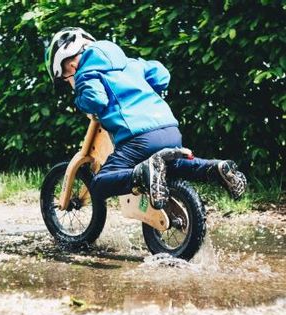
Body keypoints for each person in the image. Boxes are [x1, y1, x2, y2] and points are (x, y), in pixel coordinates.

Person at [44, 27, 247, 209]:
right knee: (173, 167)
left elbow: (96, 99)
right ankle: (215, 168)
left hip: (137, 137)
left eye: (65, 78)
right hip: (169, 129)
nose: (69, 81)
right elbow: (161, 75)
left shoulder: (86, 73)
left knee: (100, 184)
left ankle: (142, 174)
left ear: (70, 65)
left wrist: (80, 100)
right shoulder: (130, 63)